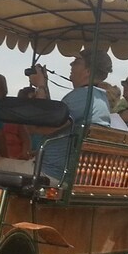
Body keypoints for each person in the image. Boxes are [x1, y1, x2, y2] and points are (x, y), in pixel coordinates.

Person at [37, 50, 113, 179]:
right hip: (73, 175)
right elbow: (54, 116)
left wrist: (40, 86)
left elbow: (45, 125)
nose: (71, 65)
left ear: (88, 71)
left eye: (77, 62)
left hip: (51, 173)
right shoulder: (98, 96)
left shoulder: (82, 96)